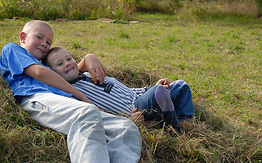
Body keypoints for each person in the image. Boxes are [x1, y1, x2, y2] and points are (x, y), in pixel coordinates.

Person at [0, 20, 161, 163]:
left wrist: (88, 58)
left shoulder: (46, 61)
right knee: (86, 113)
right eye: (39, 37)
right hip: (37, 98)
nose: (44, 44)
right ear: (23, 37)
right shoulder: (14, 50)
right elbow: (40, 73)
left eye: (49, 42)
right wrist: (82, 97)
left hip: (68, 102)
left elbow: (71, 70)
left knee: (125, 127)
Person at [42, 47, 195, 130]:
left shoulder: (89, 73)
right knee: (160, 93)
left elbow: (83, 64)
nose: (67, 63)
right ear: (54, 74)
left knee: (181, 85)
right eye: (60, 64)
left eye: (69, 59)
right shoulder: (71, 91)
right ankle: (173, 127)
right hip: (135, 110)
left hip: (141, 95)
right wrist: (127, 120)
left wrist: (153, 87)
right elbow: (97, 115)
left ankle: (184, 118)